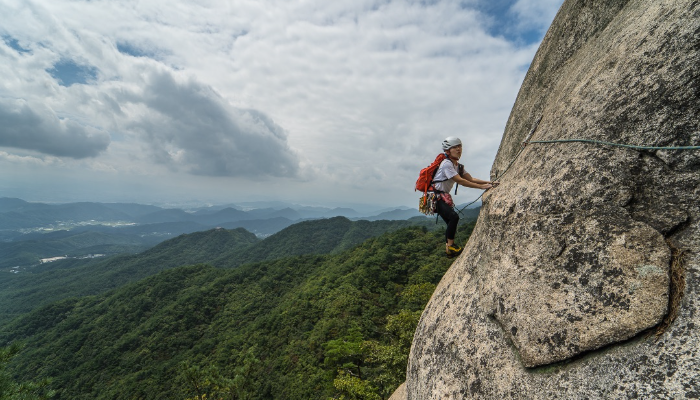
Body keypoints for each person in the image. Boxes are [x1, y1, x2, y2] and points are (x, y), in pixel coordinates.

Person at [431, 136, 496, 257]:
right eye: (455, 147)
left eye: (459, 146)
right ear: (448, 151)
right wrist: (481, 187)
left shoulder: (458, 166)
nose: (458, 149)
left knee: (451, 220)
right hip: (436, 197)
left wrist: (488, 183)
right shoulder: (446, 164)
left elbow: (470, 179)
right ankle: (450, 247)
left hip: (442, 196)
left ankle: (449, 249)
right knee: (453, 218)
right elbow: (460, 181)